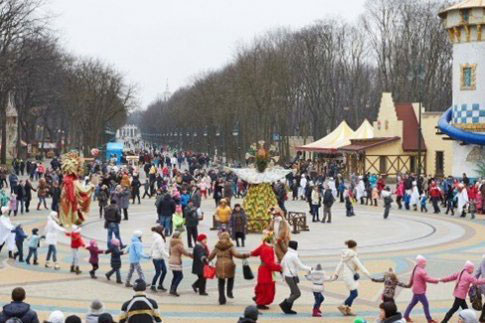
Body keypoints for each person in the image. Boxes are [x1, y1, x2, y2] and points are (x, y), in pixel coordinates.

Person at [208, 231, 249, 304]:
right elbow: (237, 254)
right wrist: (244, 255)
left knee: (221, 282)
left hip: (219, 265)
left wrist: (205, 259)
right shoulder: (230, 246)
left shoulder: (217, 247)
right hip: (229, 265)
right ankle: (229, 292)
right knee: (231, 278)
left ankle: (221, 299)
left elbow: (211, 256)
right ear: (228, 238)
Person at [334, 240, 371, 316]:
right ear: (354, 247)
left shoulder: (344, 256)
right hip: (350, 277)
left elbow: (339, 265)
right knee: (354, 294)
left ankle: (347, 310)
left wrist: (336, 274)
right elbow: (361, 266)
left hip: (346, 277)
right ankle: (343, 305)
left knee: (352, 293)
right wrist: (369, 275)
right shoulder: (353, 256)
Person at [250, 231, 282, 310]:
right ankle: (260, 302)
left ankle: (258, 297)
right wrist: (279, 268)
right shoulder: (268, 249)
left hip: (262, 269)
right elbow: (269, 264)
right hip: (266, 271)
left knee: (261, 285)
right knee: (267, 287)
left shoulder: (263, 246)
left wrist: (249, 254)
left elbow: (255, 253)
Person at [403, 255, 439, 323]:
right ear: (421, 263)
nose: (425, 264)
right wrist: (437, 280)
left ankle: (405, 316)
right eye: (424, 263)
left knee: (412, 303)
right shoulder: (422, 271)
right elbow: (428, 279)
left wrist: (410, 284)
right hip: (420, 292)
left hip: (416, 290)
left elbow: (412, 277)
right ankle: (429, 320)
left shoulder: (416, 268)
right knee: (426, 304)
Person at [279, 240, 311, 315]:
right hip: (290, 276)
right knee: (297, 293)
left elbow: (281, 264)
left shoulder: (287, 254)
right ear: (295, 247)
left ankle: (288, 308)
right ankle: (284, 304)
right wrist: (310, 268)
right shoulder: (293, 255)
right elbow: (301, 266)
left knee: (293, 292)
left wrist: (283, 274)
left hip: (287, 276)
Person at [168, 231, 193, 296]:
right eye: (180, 236)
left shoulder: (171, 243)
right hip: (176, 262)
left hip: (171, 261)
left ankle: (171, 289)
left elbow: (169, 252)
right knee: (180, 276)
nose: (181, 237)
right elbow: (185, 252)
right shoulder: (179, 244)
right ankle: (173, 289)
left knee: (175, 276)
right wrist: (192, 256)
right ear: (178, 236)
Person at [150, 226, 169, 292]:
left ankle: (160, 285)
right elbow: (162, 250)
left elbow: (152, 247)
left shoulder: (158, 237)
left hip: (160, 258)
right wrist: (169, 256)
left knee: (164, 271)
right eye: (163, 230)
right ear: (161, 231)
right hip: (157, 258)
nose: (164, 231)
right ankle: (153, 285)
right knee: (158, 272)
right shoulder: (159, 239)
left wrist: (151, 253)